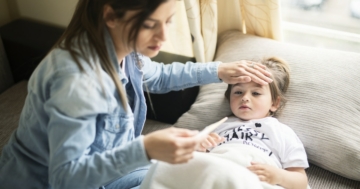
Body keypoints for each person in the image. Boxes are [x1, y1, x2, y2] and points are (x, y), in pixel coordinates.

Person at [0, 0, 272, 189]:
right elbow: (66, 178)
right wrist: (146, 148)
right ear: (111, 16)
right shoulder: (77, 82)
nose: (163, 36)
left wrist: (219, 70)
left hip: (108, 171)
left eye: (168, 21)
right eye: (150, 24)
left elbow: (161, 76)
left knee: (208, 171)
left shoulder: (125, 50)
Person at [199, 57, 309, 189]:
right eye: (238, 92)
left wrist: (278, 176)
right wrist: (200, 148)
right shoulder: (219, 126)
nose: (245, 98)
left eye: (256, 93)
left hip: (256, 179)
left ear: (274, 103)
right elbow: (198, 162)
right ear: (229, 99)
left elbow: (301, 182)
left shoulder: (282, 132)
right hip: (218, 172)